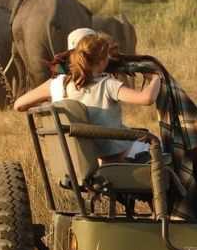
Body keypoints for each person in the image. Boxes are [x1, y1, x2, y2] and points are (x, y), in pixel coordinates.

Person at [13, 34, 162, 163]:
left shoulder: (56, 84)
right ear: (103, 61)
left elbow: (19, 105)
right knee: (156, 143)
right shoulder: (108, 85)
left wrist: (49, 105)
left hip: (73, 160)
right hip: (113, 159)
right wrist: (156, 78)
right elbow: (147, 98)